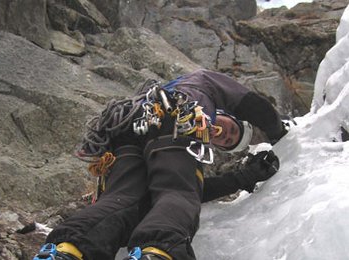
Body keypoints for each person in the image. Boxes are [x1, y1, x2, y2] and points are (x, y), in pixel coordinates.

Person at [33, 69, 287, 260]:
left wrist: (243, 177)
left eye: (227, 141)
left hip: (127, 131)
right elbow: (252, 104)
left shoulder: (157, 101)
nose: (224, 134)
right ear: (224, 113)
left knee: (125, 199)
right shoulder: (201, 85)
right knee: (177, 194)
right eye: (231, 128)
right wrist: (281, 134)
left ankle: (67, 250)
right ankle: (158, 252)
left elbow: (178, 186)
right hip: (178, 118)